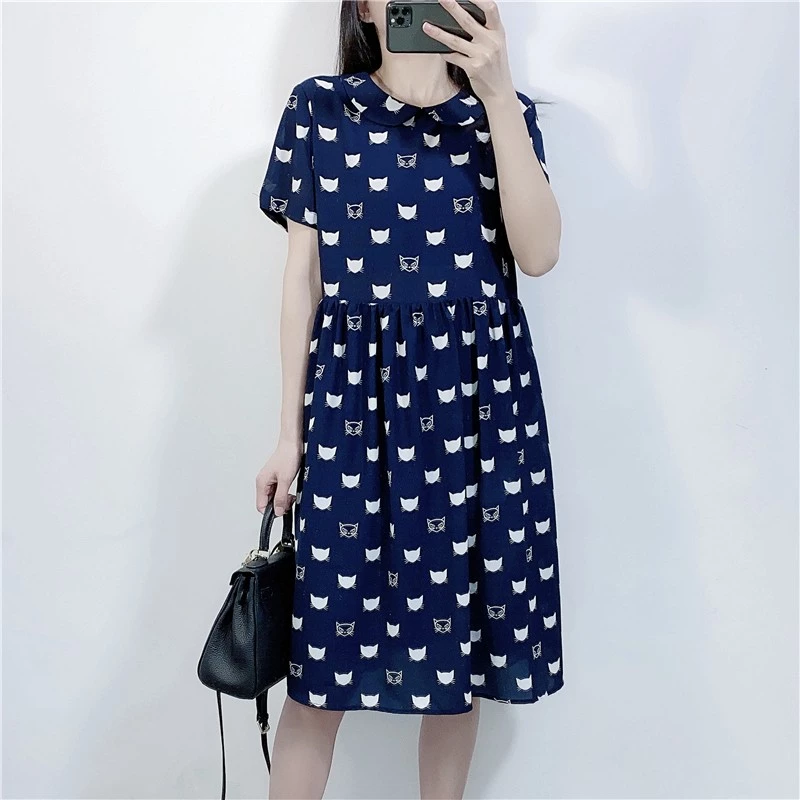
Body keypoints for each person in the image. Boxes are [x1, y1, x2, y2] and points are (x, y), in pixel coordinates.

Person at [255, 1, 564, 796]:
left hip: (478, 415)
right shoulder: (320, 109)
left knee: (457, 659)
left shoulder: (505, 114)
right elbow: (302, 282)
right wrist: (288, 435)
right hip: (352, 413)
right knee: (318, 670)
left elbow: (538, 254)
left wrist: (499, 94)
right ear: (366, 6)